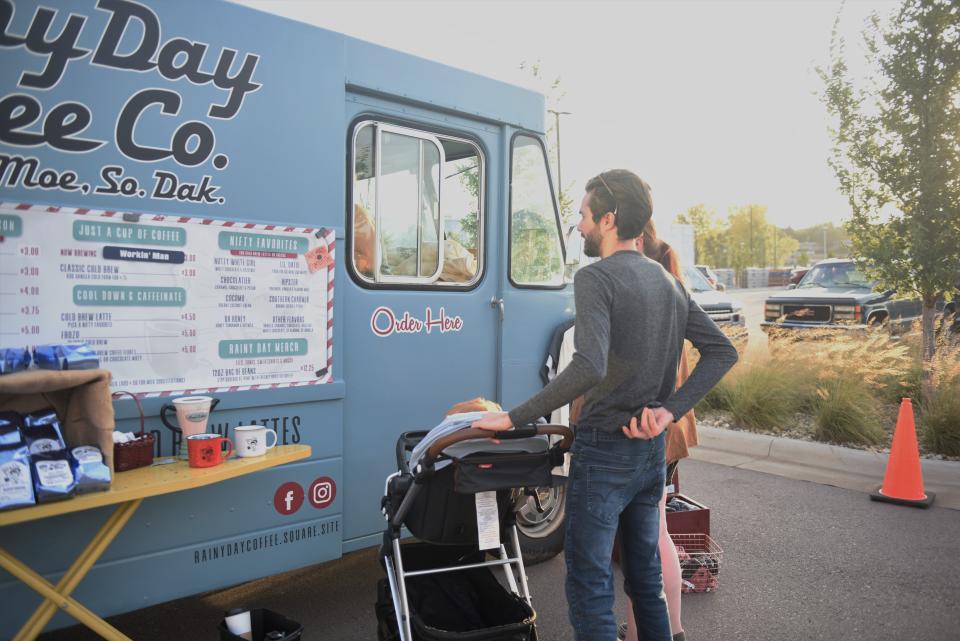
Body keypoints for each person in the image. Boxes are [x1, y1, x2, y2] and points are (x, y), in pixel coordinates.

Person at [473, 170, 738, 641]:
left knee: (591, 586)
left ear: (609, 219)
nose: (579, 225)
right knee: (645, 583)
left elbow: (588, 367)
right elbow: (723, 351)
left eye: (583, 215)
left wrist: (513, 417)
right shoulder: (670, 283)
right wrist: (668, 412)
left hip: (605, 453)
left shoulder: (595, 277)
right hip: (649, 455)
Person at [616, 219, 701, 641]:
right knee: (656, 533)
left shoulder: (647, 295)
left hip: (650, 431)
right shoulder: (674, 289)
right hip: (670, 429)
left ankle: (639, 634)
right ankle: (673, 629)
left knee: (647, 542)